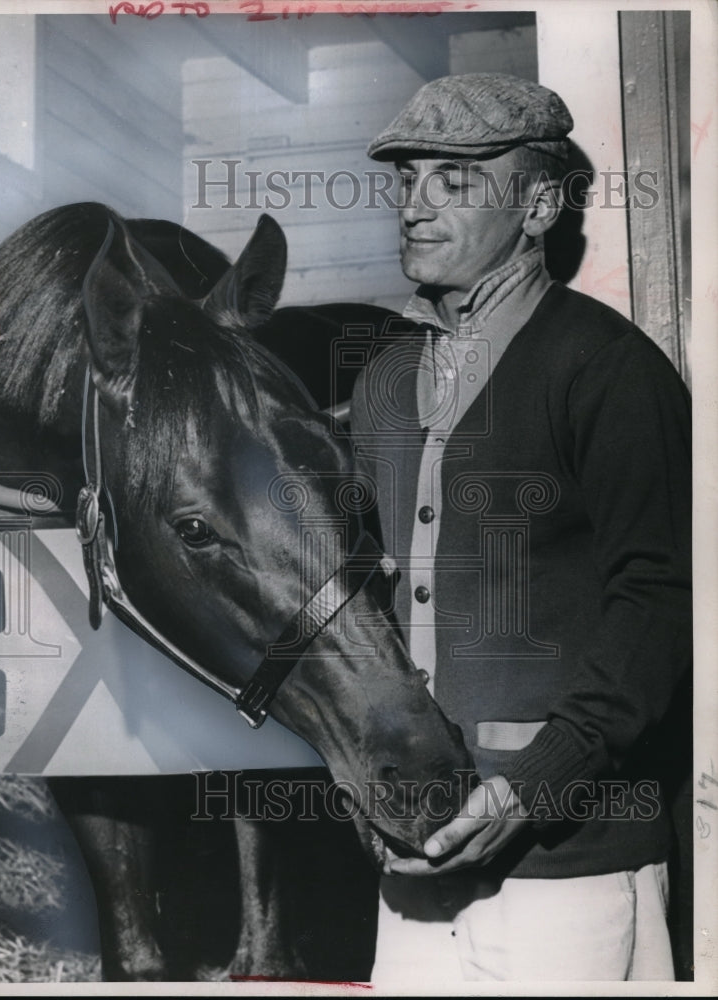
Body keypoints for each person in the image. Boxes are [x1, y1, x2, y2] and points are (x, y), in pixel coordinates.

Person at [350, 73, 692, 983]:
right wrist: (369, 778)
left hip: (571, 870)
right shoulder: (382, 382)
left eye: (453, 183)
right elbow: (366, 598)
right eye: (406, 180)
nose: (415, 208)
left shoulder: (608, 370)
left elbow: (661, 605)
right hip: (411, 863)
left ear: (538, 205)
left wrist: (533, 787)